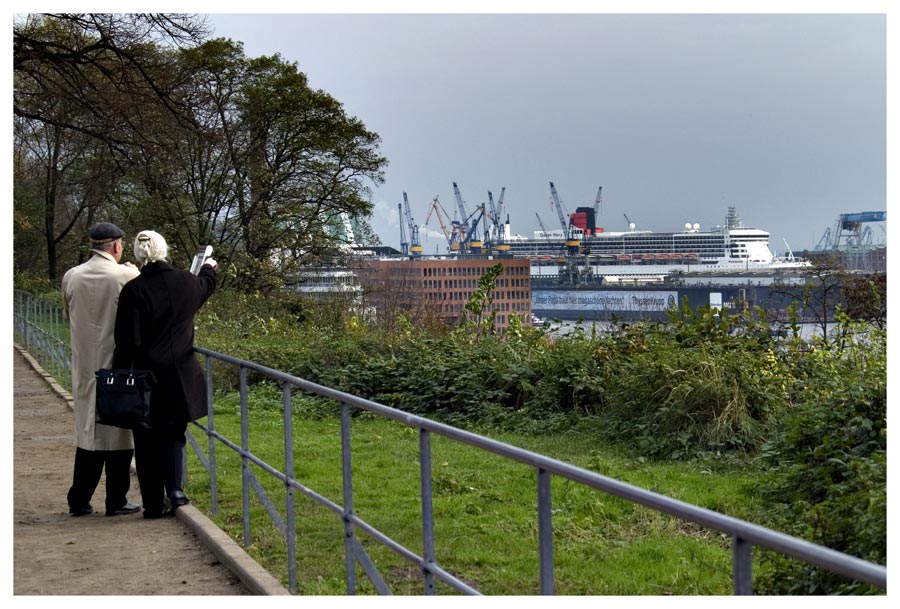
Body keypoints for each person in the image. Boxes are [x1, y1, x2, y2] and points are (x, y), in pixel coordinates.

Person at [113, 230, 218, 518]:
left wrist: (119, 376)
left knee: (145, 440)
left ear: (138, 254)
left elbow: (127, 342)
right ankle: (175, 490)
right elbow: (206, 285)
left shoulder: (133, 290)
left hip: (145, 376)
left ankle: (152, 504)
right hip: (180, 374)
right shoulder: (186, 282)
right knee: (174, 433)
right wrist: (208, 267)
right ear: (164, 250)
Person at [61, 222, 142, 517]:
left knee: (88, 432)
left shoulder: (72, 276)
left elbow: (67, 312)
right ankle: (116, 499)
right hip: (117, 364)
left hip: (84, 364)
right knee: (120, 432)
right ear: (117, 247)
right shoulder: (126, 274)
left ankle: (79, 497)